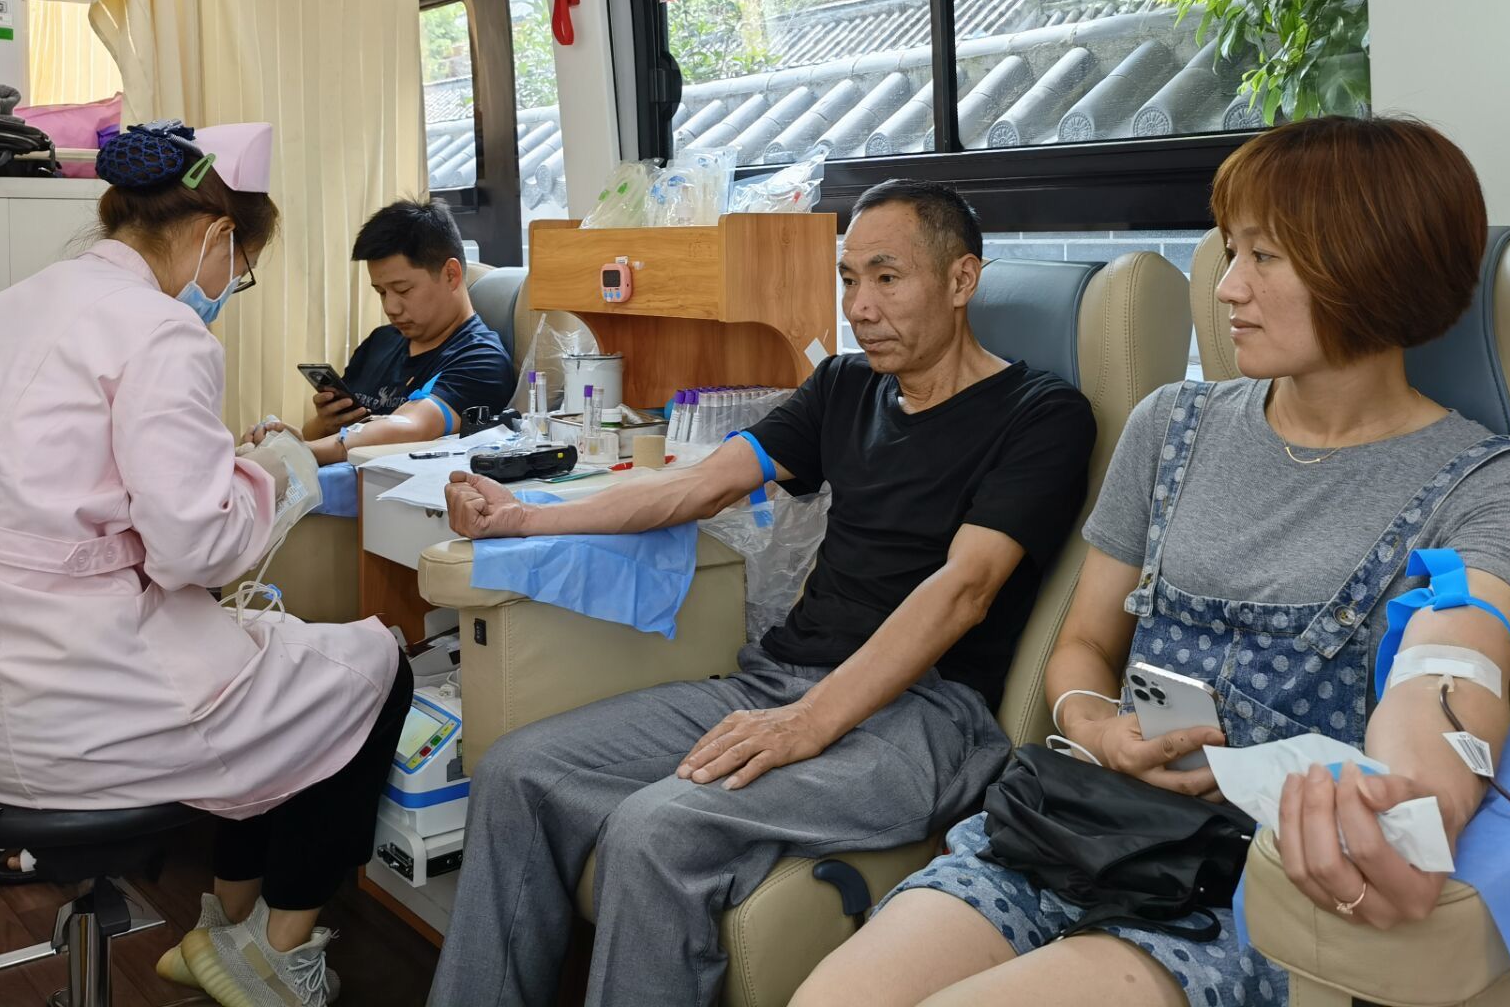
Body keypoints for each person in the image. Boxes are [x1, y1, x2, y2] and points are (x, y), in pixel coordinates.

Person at [793, 117, 1510, 1007]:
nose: (1227, 287)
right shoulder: (1172, 426)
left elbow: (1452, 676)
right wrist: (1098, 729)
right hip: (1083, 825)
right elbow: (1083, 645)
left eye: (1263, 257)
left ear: (1376, 266)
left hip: (1249, 887)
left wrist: (1422, 804)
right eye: (1230, 252)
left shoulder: (1495, 484)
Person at [426, 179, 1099, 1007]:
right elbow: (699, 485)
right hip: (781, 678)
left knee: (653, 830)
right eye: (848, 279)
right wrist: (524, 518)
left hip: (925, 715)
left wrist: (810, 722)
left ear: (962, 280)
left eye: (887, 278)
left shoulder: (1042, 414)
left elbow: (965, 589)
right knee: (516, 770)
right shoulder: (844, 386)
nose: (860, 307)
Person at [0, 120, 411, 1007]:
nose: (227, 289)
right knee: (374, 662)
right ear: (218, 235)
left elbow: (45, 501)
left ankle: (220, 934)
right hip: (71, 706)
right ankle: (274, 955)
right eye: (240, 269)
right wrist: (272, 474)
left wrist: (218, 476)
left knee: (275, 660)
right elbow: (196, 549)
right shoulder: (163, 335)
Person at [298, 197, 514, 464]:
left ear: (451, 274)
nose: (390, 307)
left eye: (403, 290)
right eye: (381, 292)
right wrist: (320, 425)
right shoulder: (380, 341)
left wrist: (297, 453)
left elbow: (412, 427)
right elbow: (318, 434)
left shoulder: (481, 360)